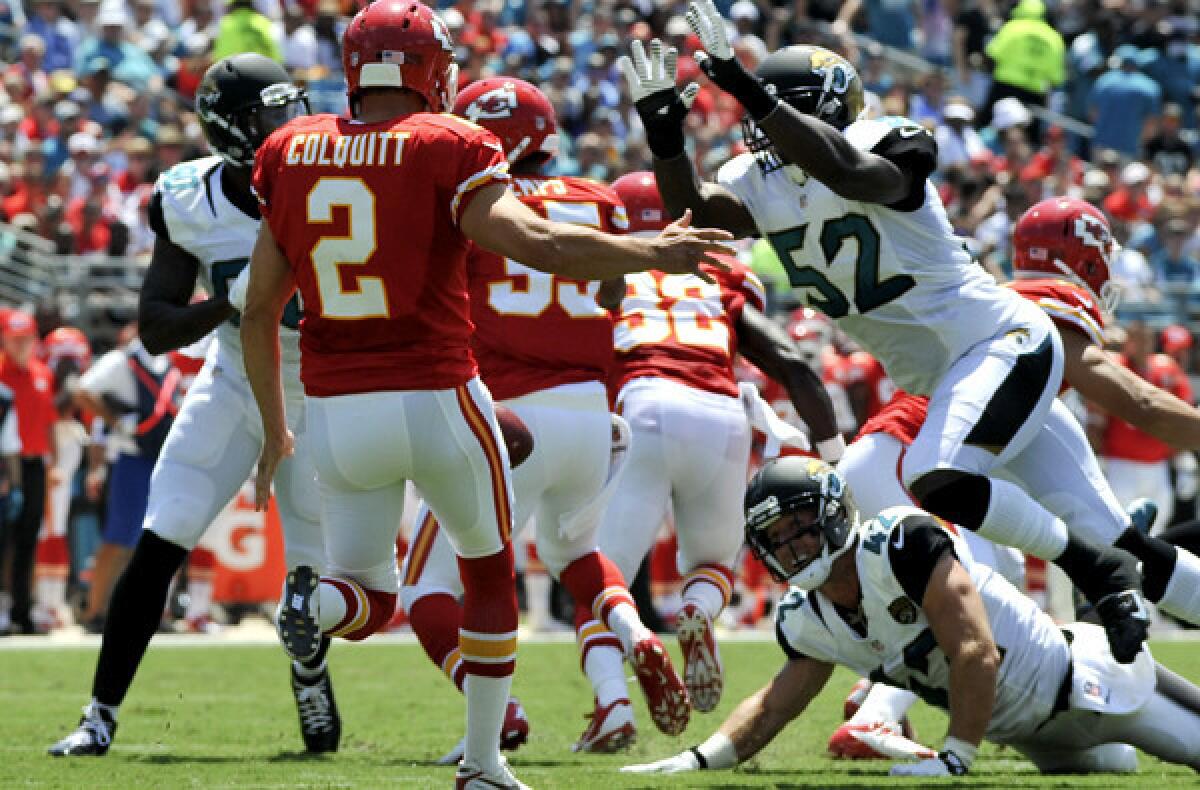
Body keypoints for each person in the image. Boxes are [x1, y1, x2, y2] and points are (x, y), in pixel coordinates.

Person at [241, 4, 731, 788]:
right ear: (427, 71)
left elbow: (260, 308)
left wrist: (275, 431)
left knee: (367, 597)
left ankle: (315, 608)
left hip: (334, 410)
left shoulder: (290, 150)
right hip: (438, 394)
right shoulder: (451, 143)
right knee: (490, 570)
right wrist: (653, 249)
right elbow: (534, 242)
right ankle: (483, 762)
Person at [622, 1, 1147, 663]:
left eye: (787, 111)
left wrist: (749, 90)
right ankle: (1122, 583)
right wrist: (666, 139)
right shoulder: (759, 181)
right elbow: (695, 215)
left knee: (937, 475)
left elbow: (848, 173)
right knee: (1115, 536)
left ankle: (1099, 573)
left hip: (1002, 344)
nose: (765, 133)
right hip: (946, 377)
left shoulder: (893, 140)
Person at [831, 197, 1200, 753]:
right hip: (914, 468)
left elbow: (1125, 548)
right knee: (985, 608)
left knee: (1072, 562)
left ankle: (878, 698)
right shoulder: (1038, 313)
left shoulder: (1015, 342)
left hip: (903, 463)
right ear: (1084, 256)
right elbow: (1137, 401)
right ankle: (878, 711)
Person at [47, 54, 334, 757]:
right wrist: (224, 305)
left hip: (320, 396)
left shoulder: (333, 178)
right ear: (232, 132)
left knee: (308, 575)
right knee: (160, 539)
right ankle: (100, 714)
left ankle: (309, 669)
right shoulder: (189, 198)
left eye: (291, 105)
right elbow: (153, 322)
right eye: (272, 113)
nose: (290, 123)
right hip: (234, 383)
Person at [399, 79, 688, 761]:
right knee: (571, 555)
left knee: (425, 588)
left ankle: (497, 715)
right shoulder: (602, 199)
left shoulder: (475, 206)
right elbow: (612, 290)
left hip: (508, 414)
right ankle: (632, 633)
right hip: (589, 412)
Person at [623, 457, 1200, 778]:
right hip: (1032, 739)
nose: (793, 546)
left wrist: (955, 758)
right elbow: (776, 704)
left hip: (1091, 684)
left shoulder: (898, 543)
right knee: (1115, 768)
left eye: (799, 525)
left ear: (832, 514)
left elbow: (977, 650)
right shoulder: (805, 617)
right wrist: (700, 759)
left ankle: (1100, 598)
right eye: (776, 538)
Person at [582, 170, 839, 751]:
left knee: (601, 582)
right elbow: (793, 364)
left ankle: (613, 706)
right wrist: (832, 454)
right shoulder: (721, 279)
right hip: (722, 412)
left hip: (641, 405)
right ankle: (697, 610)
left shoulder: (603, 271)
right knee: (715, 566)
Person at [72, 330, 180, 630]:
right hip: (131, 458)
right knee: (119, 539)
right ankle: (94, 611)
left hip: (162, 458)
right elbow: (82, 391)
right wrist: (117, 421)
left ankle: (151, 613)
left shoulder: (166, 362)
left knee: (161, 539)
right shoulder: (121, 360)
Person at [0, 310, 55, 636]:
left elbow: (47, 424)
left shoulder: (42, 373)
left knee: (27, 539)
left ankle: (22, 609)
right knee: (2, 540)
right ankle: (4, 609)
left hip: (35, 465)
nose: (22, 345)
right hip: (5, 466)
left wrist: (53, 464)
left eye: (27, 339)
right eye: (15, 339)